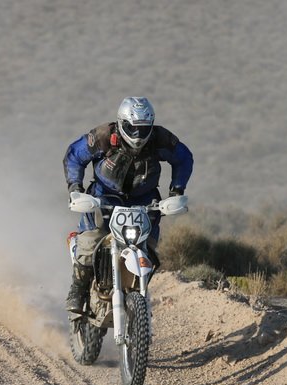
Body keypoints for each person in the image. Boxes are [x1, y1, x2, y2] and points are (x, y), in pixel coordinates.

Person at [63, 96, 193, 313]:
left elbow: (184, 158)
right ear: (121, 123)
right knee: (90, 241)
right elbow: (75, 155)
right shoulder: (103, 137)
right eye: (132, 128)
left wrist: (176, 190)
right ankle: (78, 290)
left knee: (149, 246)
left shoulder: (160, 139)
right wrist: (75, 187)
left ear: (151, 125)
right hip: (103, 198)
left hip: (144, 200)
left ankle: (137, 292)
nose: (138, 135)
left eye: (143, 129)